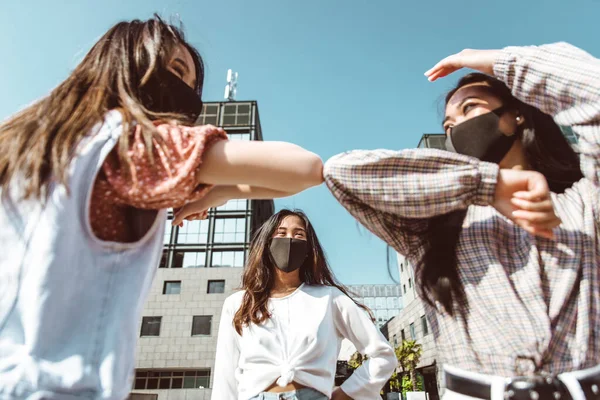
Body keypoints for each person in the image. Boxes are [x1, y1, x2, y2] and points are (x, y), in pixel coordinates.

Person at [0, 16, 323, 400]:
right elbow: (304, 168)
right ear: (129, 61)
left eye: (191, 84)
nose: (186, 91)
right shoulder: (135, 145)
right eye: (175, 70)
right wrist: (220, 193)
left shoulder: (28, 148)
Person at [324, 42, 599, 399]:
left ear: (516, 115)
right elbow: (341, 172)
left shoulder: (584, 203)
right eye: (448, 125)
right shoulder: (434, 227)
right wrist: (486, 185)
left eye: (470, 108)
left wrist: (500, 62)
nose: (456, 129)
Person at [211, 209, 396, 400]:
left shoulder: (330, 298)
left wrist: (345, 393)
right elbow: (225, 375)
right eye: (281, 233)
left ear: (309, 249)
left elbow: (383, 355)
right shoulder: (239, 303)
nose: (289, 240)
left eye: (299, 234)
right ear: (266, 244)